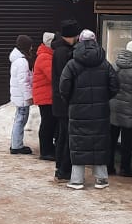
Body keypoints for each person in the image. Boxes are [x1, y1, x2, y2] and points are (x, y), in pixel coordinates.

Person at [59, 29, 119, 190]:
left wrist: (71, 100)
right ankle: (102, 179)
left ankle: (77, 180)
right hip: (100, 111)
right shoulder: (105, 64)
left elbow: (63, 86)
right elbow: (114, 86)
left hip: (78, 110)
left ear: (80, 41)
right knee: (99, 142)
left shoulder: (72, 64)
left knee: (78, 143)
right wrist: (103, 98)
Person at [108, 40, 132, 178]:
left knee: (111, 140)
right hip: (130, 110)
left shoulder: (114, 65)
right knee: (127, 141)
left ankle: (108, 167)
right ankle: (125, 168)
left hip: (113, 108)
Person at [50, 20, 79, 181]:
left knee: (63, 134)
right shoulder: (64, 53)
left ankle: (60, 166)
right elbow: (66, 79)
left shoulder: (59, 50)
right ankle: (63, 169)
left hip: (59, 101)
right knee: (67, 136)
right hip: (64, 101)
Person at [8, 35, 35, 154]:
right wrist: (28, 97)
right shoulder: (22, 62)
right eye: (30, 46)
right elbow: (23, 81)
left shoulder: (17, 60)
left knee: (19, 119)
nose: (31, 48)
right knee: (21, 119)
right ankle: (17, 145)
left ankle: (16, 143)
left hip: (19, 96)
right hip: (22, 97)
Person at [32, 32, 57, 161]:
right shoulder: (45, 57)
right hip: (45, 96)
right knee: (47, 123)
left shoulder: (46, 55)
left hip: (47, 95)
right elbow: (52, 75)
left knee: (49, 122)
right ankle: (46, 150)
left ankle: (48, 148)